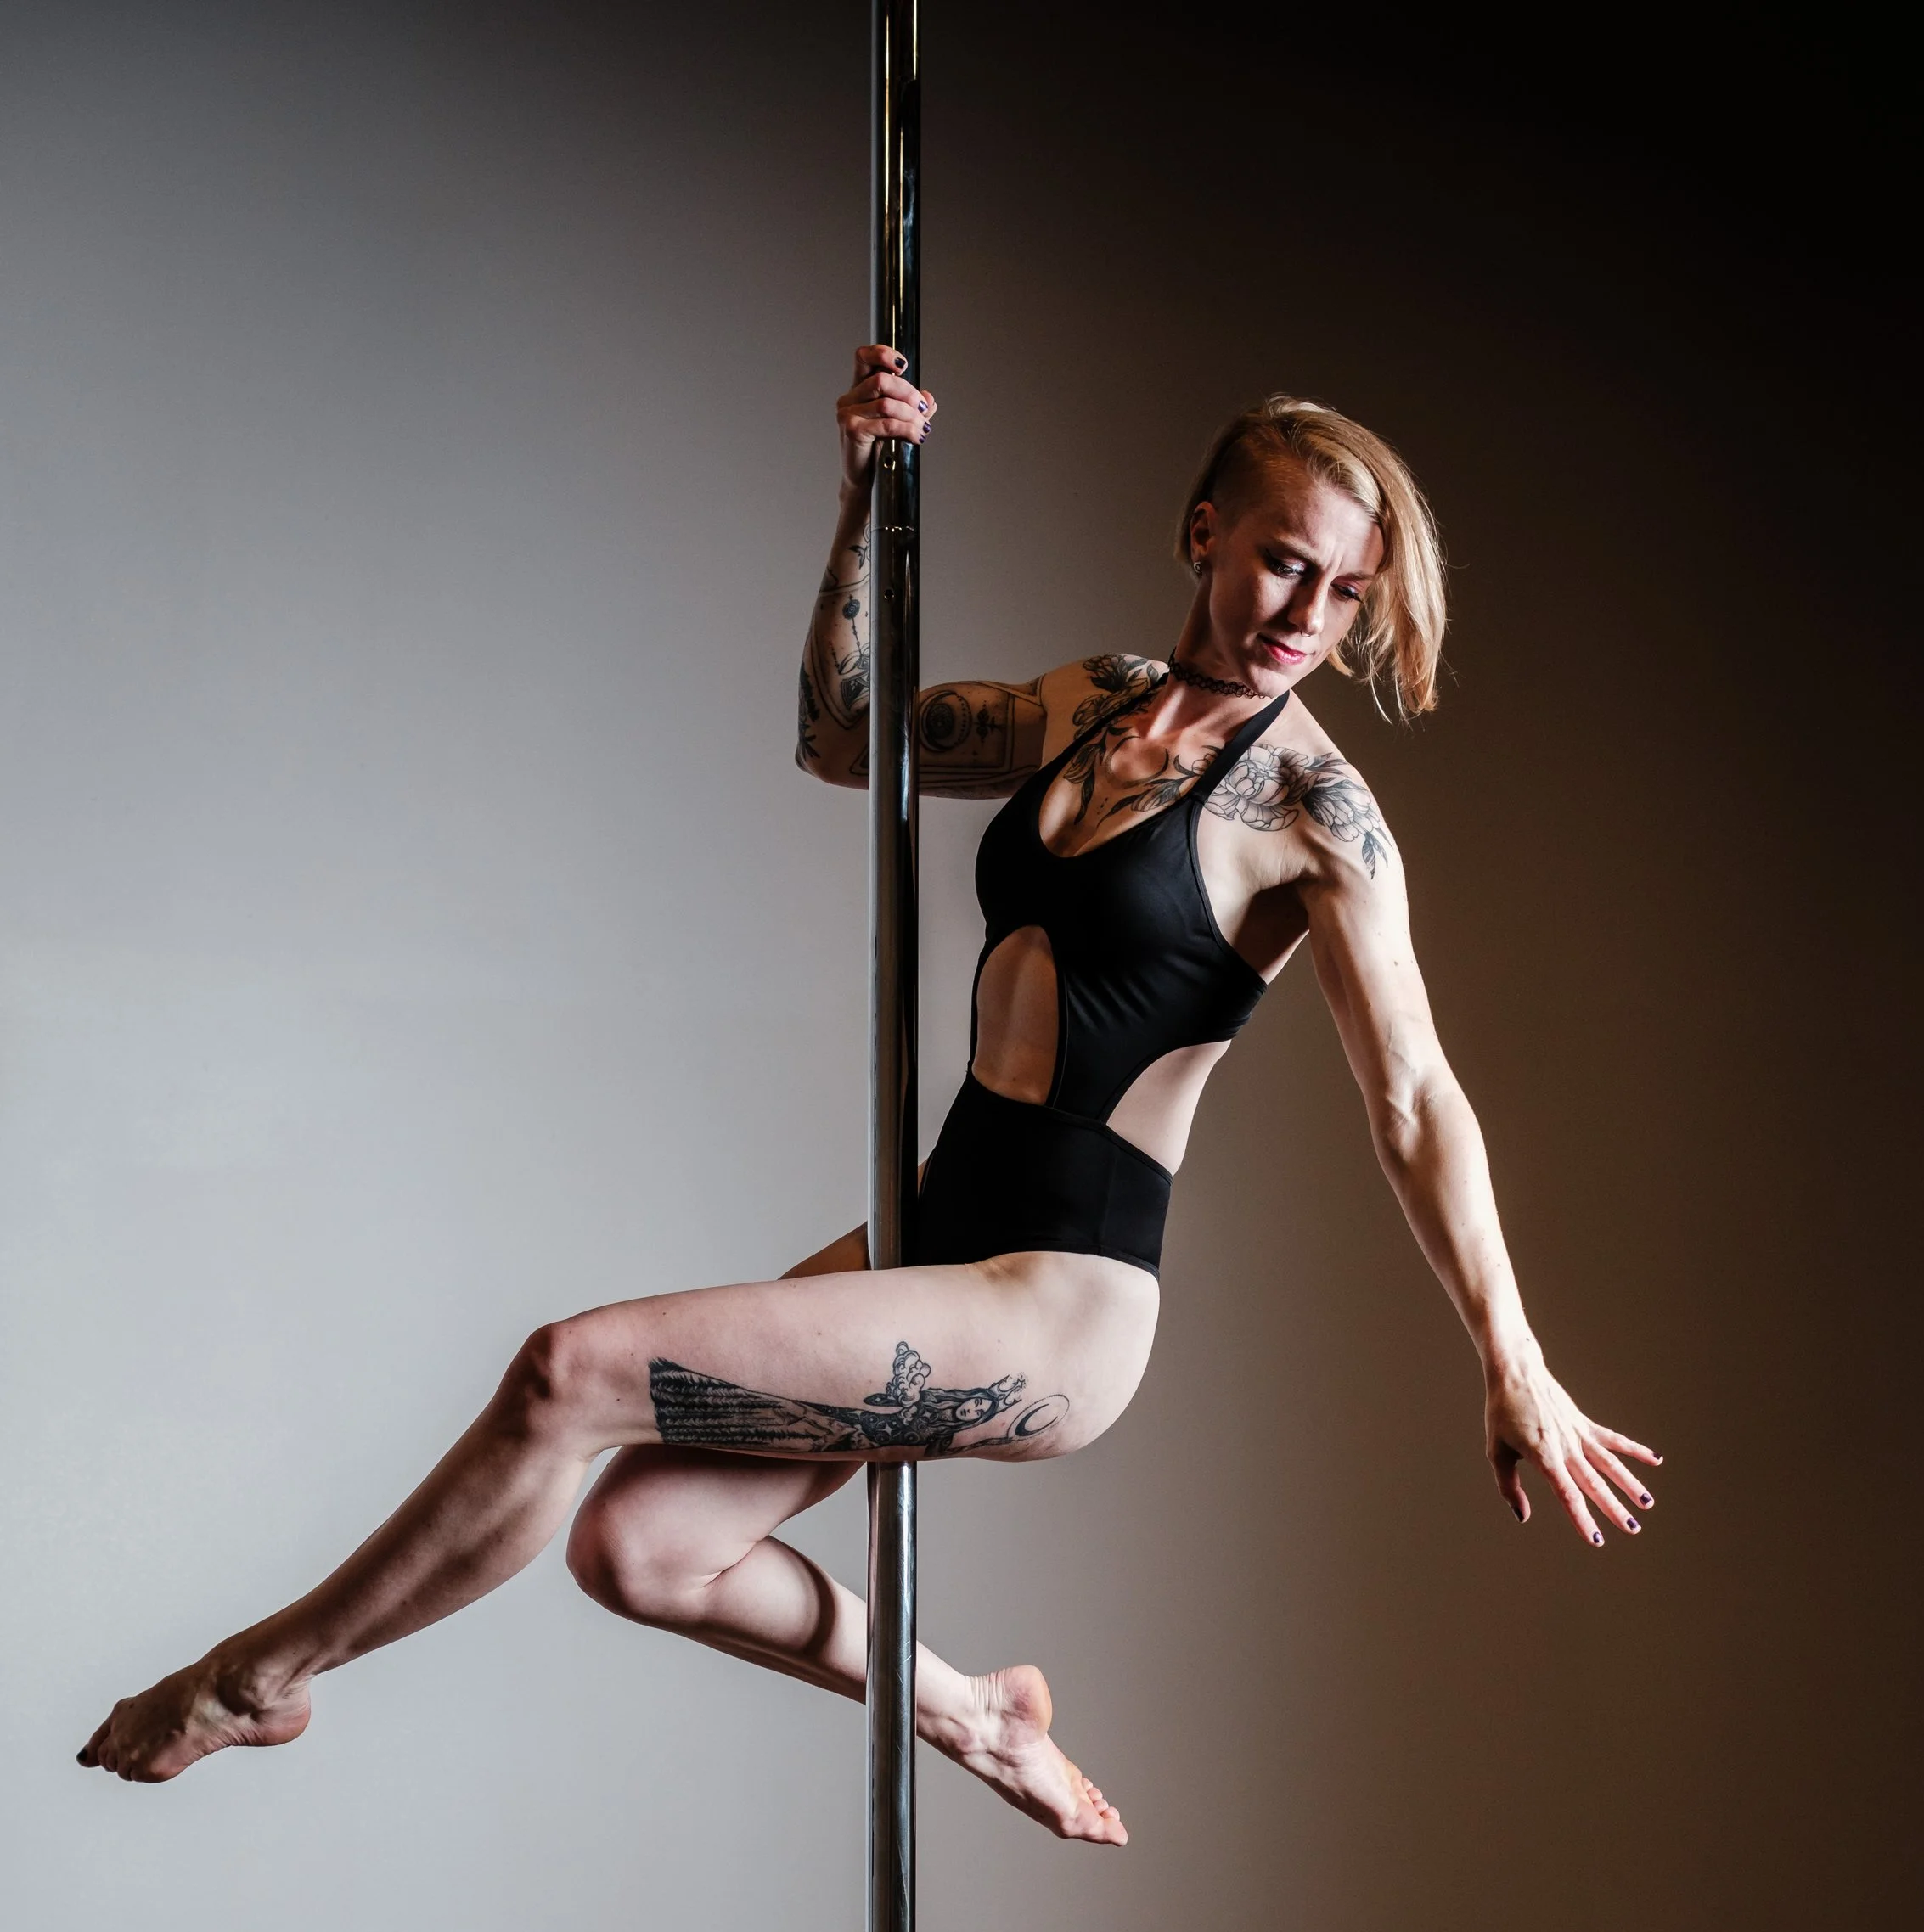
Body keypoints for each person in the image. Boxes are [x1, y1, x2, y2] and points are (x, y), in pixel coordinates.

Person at [78, 345, 1659, 1844]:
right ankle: (975, 1713)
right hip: (940, 1230)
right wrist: (860, 501)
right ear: (1205, 533)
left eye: (1346, 593)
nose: (1306, 615)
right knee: (640, 1546)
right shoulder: (1094, 703)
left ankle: (259, 1676)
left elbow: (1416, 1095)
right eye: (1283, 564)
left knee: (567, 1372)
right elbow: (844, 739)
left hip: (1058, 1301)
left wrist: (1513, 1357)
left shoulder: (1316, 809)